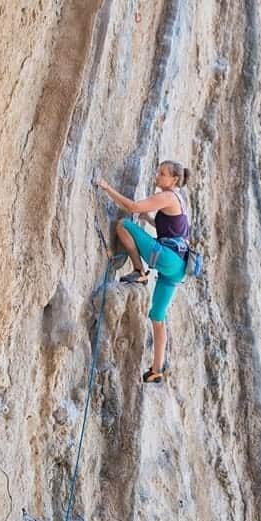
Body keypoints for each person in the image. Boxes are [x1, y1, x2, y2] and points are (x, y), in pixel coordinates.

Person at [94, 161, 190, 383]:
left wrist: (106, 186)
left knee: (123, 225)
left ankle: (139, 270)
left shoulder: (167, 196)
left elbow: (134, 207)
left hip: (167, 258)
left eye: (162, 174)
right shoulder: (179, 199)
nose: (157, 176)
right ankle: (156, 369)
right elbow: (172, 230)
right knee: (157, 316)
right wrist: (149, 220)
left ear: (174, 180)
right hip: (179, 268)